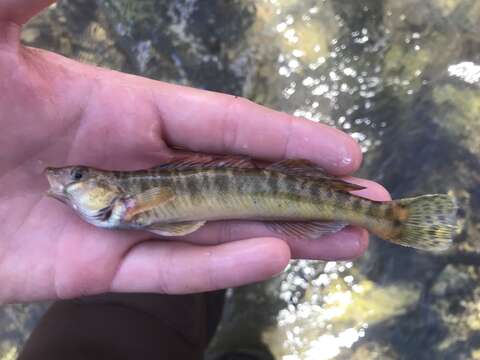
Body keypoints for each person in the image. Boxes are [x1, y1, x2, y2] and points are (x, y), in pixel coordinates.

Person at [0, 1, 390, 359]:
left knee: (160, 303)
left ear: (107, 187)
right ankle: (247, 341)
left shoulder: (130, 203)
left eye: (79, 176)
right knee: (189, 294)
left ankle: (244, 336)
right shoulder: (125, 203)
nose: (65, 179)